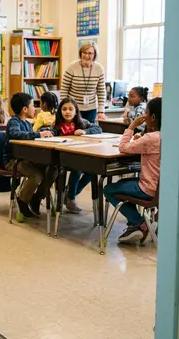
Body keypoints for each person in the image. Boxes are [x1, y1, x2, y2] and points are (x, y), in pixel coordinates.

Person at [103, 98, 161, 244]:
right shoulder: (169, 136)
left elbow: (123, 147)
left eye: (146, 112)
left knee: (109, 189)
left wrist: (132, 126)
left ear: (153, 117)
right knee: (124, 183)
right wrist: (139, 139)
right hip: (163, 190)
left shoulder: (150, 138)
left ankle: (141, 224)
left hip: (148, 188)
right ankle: (134, 225)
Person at [3, 92, 57, 218]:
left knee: (53, 169)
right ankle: (23, 200)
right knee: (36, 175)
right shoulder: (14, 122)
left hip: (27, 158)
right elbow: (16, 134)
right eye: (33, 105)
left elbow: (30, 136)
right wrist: (38, 135)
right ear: (25, 109)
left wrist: (43, 133)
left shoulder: (27, 123)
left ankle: (36, 198)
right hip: (13, 160)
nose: (35, 108)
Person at [52, 97, 102, 214]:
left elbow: (98, 128)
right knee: (77, 168)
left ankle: (70, 193)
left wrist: (85, 132)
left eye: (70, 109)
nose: (67, 112)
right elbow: (49, 132)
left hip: (79, 155)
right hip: (61, 158)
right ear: (60, 111)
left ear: (76, 111)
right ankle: (71, 198)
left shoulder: (82, 122)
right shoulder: (57, 125)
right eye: (64, 109)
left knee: (92, 171)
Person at [61, 41, 107, 123]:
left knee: (88, 131)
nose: (86, 55)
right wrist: (64, 108)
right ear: (80, 53)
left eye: (90, 53)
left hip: (91, 108)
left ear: (94, 55)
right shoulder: (72, 67)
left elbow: (101, 91)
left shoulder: (99, 68)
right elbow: (64, 89)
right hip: (73, 108)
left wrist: (101, 111)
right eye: (84, 52)